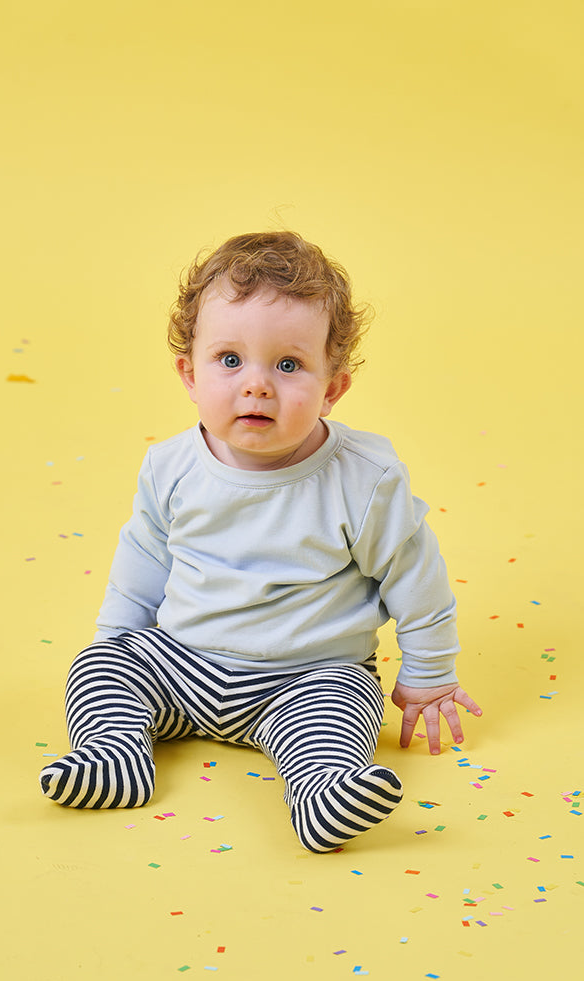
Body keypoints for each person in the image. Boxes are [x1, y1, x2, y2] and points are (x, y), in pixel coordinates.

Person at [40, 231, 482, 852]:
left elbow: (414, 575)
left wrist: (429, 672)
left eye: (288, 365)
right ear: (189, 375)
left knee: (338, 717)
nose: (256, 385)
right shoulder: (171, 467)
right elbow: (143, 559)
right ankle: (115, 757)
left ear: (332, 389)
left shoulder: (364, 479)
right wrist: (117, 644)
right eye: (229, 360)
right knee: (99, 666)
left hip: (308, 677)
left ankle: (324, 794)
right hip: (182, 664)